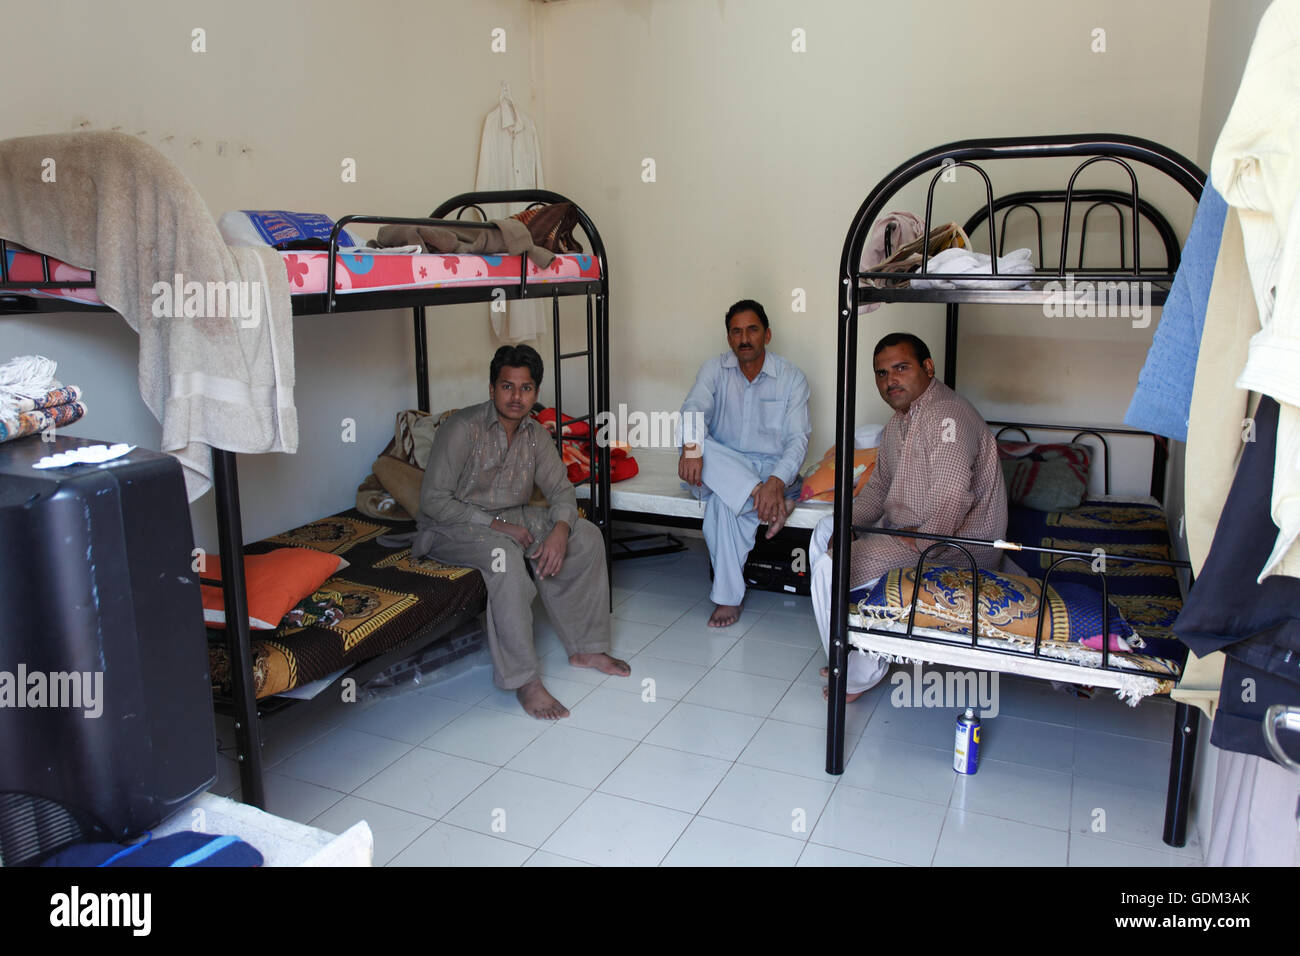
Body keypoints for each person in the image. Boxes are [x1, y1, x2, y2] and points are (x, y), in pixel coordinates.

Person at [415, 345, 629, 719]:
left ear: (535, 391)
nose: (517, 397)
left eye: (526, 388)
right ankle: (525, 680)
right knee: (506, 560)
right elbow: (433, 501)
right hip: (453, 525)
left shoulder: (536, 435)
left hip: (511, 516)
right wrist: (499, 527)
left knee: (587, 536)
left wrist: (561, 528)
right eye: (507, 387)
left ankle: (586, 647)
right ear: (492, 388)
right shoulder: (462, 429)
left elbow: (562, 491)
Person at [811, 332, 1007, 700]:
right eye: (882, 373)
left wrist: (921, 539)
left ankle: (856, 672)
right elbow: (878, 487)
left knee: (832, 568)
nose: (890, 381)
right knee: (824, 531)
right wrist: (848, 525)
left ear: (928, 368)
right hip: (906, 534)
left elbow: (951, 497)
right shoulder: (899, 422)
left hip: (951, 547)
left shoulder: (946, 416)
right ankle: (847, 653)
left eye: (901, 368)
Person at [678, 299, 812, 627]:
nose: (744, 338)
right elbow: (693, 407)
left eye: (752, 329)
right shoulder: (714, 369)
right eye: (736, 331)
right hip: (721, 467)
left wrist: (776, 483)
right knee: (692, 443)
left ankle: (726, 599)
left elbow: (798, 440)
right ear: (728, 339)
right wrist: (693, 450)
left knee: (724, 504)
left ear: (767, 335)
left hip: (770, 473)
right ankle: (770, 502)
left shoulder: (791, 377)